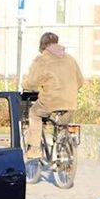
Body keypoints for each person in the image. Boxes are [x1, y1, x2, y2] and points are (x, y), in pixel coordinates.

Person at [22, 32, 84, 162]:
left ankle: (34, 150)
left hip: (50, 101)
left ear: (43, 46)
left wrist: (24, 83)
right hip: (70, 102)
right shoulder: (70, 59)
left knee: (34, 113)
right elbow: (80, 81)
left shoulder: (41, 60)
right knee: (61, 125)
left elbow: (32, 83)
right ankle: (62, 149)